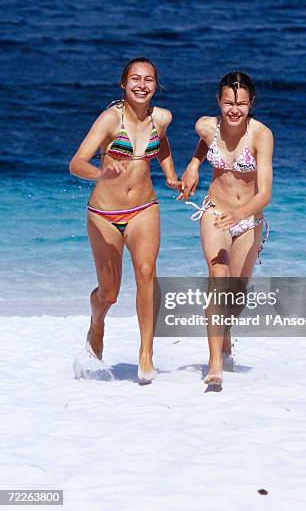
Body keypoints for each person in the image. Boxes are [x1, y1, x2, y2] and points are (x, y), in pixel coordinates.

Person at [69, 57, 180, 383]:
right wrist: (101, 171)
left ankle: (146, 354)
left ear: (156, 85)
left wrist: (171, 175)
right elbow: (76, 163)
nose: (142, 85)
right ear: (123, 83)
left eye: (148, 79)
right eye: (135, 78)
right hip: (104, 214)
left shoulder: (162, 118)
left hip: (145, 208)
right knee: (110, 293)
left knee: (147, 273)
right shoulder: (109, 120)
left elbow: (162, 146)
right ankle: (97, 323)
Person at [179, 71, 273, 386]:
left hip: (249, 217)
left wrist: (240, 214)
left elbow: (265, 194)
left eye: (242, 104)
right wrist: (194, 164)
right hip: (215, 212)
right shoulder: (206, 126)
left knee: (236, 296)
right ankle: (215, 361)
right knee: (218, 278)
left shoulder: (261, 135)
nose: (235, 110)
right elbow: (206, 141)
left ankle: (226, 330)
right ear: (219, 101)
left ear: (251, 104)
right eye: (229, 103)